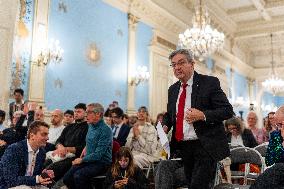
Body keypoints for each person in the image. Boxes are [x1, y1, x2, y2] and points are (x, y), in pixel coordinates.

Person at [163, 49, 234, 189]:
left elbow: (227, 111)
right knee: (190, 184)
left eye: (181, 63)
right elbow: (170, 114)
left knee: (197, 186)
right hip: (183, 147)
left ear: (192, 64)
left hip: (205, 145)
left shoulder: (209, 83)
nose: (177, 67)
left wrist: (202, 115)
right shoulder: (173, 89)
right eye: (173, 64)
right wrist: (165, 124)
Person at [63, 103, 112, 189]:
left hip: (101, 162)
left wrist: (82, 160)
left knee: (79, 175)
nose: (86, 115)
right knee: (67, 178)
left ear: (98, 114)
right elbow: (90, 141)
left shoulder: (106, 130)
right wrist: (85, 148)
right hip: (89, 160)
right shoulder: (90, 125)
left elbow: (98, 155)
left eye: (89, 112)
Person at [0, 121, 54, 189]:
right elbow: (10, 180)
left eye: (47, 135)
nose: (47, 138)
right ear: (32, 136)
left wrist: (43, 175)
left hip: (29, 185)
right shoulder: (14, 149)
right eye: (44, 134)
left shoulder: (42, 152)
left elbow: (34, 175)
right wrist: (37, 179)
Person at [44, 103, 89, 181]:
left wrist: (66, 149)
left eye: (79, 111)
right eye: (75, 111)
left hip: (74, 157)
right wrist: (60, 147)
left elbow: (84, 147)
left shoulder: (88, 128)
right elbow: (59, 140)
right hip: (61, 153)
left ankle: (46, 185)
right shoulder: (69, 126)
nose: (76, 113)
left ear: (85, 113)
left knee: (52, 169)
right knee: (44, 163)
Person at [251, 106, 284, 189]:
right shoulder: (275, 135)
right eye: (277, 125)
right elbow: (269, 161)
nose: (279, 128)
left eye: (281, 124)